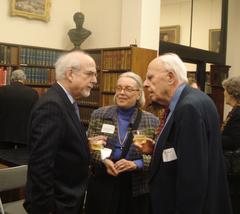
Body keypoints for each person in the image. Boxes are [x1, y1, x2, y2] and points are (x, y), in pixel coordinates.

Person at [136, 53, 232, 214]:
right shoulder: (197, 99)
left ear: (170, 77)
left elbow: (192, 177)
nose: (145, 84)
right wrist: (157, 149)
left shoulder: (188, 108)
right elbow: (187, 153)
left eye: (150, 77)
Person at [23, 51, 97, 214]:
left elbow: (62, 146)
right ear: (70, 74)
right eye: (90, 74)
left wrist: (84, 144)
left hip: (67, 200)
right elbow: (41, 164)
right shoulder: (52, 106)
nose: (94, 81)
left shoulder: (65, 102)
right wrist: (47, 208)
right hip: (56, 205)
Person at [85, 72, 159, 214]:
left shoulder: (151, 121)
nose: (122, 93)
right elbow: (92, 147)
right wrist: (104, 160)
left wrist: (136, 164)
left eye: (128, 89)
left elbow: (156, 156)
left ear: (138, 94)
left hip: (135, 189)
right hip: (103, 184)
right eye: (119, 88)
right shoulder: (100, 115)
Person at [0, 69, 38, 149]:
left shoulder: (2, 91)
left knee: (4, 160)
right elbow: (36, 115)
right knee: (21, 161)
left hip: (4, 135)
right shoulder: (33, 93)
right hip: (24, 135)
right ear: (24, 79)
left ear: (11, 79)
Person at [222, 76, 240, 214]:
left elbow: (234, 141)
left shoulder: (238, 113)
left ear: (232, 92)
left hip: (234, 169)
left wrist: (213, 137)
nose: (224, 93)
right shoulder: (235, 110)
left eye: (225, 90)